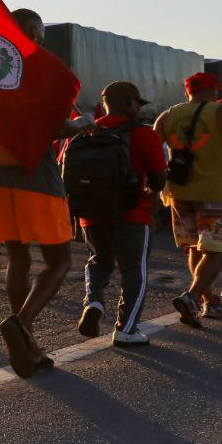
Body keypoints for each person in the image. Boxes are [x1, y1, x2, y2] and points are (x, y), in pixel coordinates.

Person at [0, 8, 94, 378]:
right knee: (59, 261)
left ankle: (28, 346)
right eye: (40, 36)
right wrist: (82, 124)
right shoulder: (28, 75)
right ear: (31, 31)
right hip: (37, 180)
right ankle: (22, 323)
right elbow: (50, 127)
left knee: (18, 262)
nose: (41, 43)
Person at [75, 82, 167, 345]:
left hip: (91, 213)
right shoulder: (142, 133)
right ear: (127, 102)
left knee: (98, 261)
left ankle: (93, 302)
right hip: (132, 214)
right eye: (138, 102)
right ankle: (126, 329)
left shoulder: (85, 132)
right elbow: (159, 179)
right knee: (133, 272)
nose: (139, 107)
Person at [154, 71, 222, 326]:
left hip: (179, 193)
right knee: (215, 252)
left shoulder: (167, 115)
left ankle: (210, 302)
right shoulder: (218, 112)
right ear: (215, 90)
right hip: (215, 193)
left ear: (187, 92)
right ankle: (193, 297)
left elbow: (152, 150)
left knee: (194, 248)